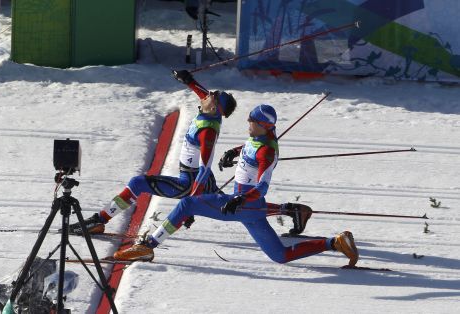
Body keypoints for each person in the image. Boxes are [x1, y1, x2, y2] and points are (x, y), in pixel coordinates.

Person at [113, 104, 359, 267]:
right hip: (251, 211)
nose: (248, 123)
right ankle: (335, 242)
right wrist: (234, 151)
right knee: (280, 256)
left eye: (251, 120)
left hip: (245, 205)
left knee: (187, 203)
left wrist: (240, 199)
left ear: (263, 125)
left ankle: (147, 247)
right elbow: (250, 146)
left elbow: (262, 185)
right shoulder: (259, 138)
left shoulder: (266, 152)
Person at [68, 70, 237, 234]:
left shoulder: (208, 131)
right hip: (202, 180)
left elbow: (204, 169)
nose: (206, 94)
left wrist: (191, 205)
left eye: (211, 96)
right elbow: (203, 94)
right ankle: (253, 209)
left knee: (137, 183)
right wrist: (188, 80)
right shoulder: (211, 111)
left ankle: (99, 221)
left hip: (191, 183)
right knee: (237, 207)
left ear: (214, 106)